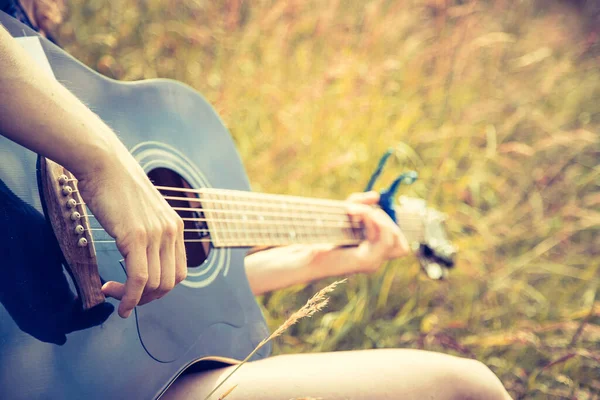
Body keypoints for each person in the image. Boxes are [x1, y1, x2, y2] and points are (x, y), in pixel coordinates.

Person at [0, 2, 513, 398]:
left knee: (467, 386)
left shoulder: (36, 28)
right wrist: (105, 162)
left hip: (102, 377)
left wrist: (314, 260)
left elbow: (153, 297)